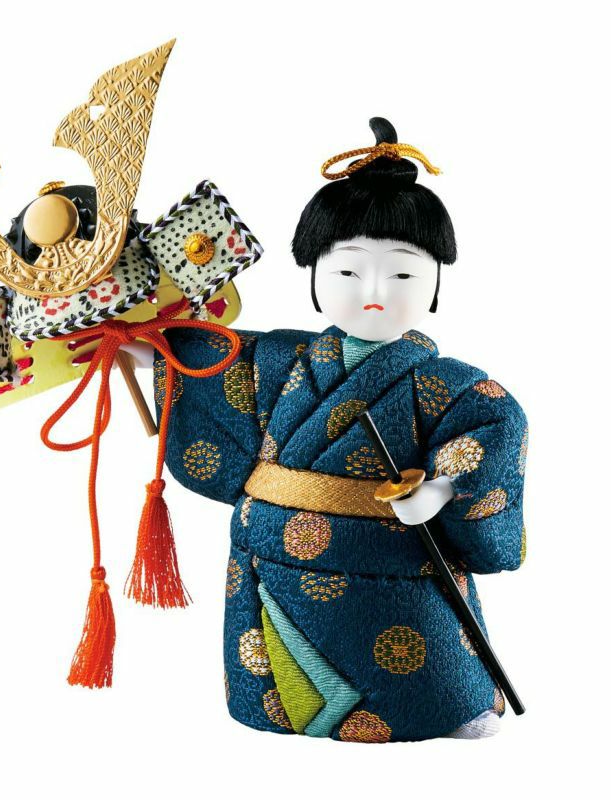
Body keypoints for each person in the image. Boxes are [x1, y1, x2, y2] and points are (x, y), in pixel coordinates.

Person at [122, 118, 527, 742]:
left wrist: (442, 490)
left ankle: (449, 710)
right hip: (270, 552)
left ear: (436, 286)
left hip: (389, 553)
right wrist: (153, 353)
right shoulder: (280, 360)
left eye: (403, 275)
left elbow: (494, 426)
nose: (374, 291)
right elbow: (207, 361)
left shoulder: (447, 384)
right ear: (314, 278)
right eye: (347, 273)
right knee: (281, 670)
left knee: (426, 666)